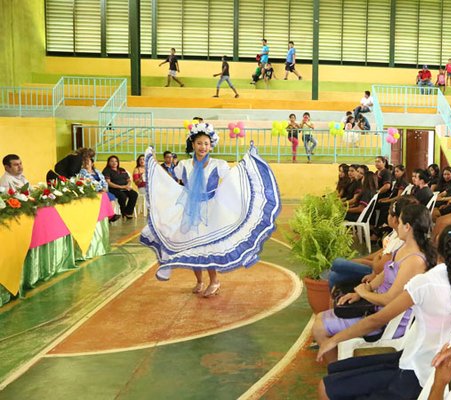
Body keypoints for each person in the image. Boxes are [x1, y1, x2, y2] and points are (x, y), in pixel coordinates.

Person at [316, 224, 451, 400]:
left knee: (326, 387)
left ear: (437, 244)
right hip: (418, 364)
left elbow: (377, 320)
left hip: (414, 372)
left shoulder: (424, 283)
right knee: (337, 372)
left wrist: (334, 340)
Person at [139, 122, 281, 297]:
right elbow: (170, 180)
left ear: (211, 146)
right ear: (193, 144)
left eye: (206, 143)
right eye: (199, 143)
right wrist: (152, 165)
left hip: (210, 210)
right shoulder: (183, 165)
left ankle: (214, 280)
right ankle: (199, 280)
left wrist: (247, 162)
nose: (203, 147)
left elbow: (232, 179)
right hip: (189, 210)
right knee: (191, 246)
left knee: (207, 248)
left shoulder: (218, 164)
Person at [314, 203, 433, 363]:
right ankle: (338, 364)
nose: (396, 225)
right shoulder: (403, 248)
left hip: (387, 320)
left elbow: (391, 299)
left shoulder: (414, 260)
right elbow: (384, 273)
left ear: (407, 227)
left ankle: (337, 369)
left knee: (320, 325)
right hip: (374, 307)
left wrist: (365, 293)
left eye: (400, 221)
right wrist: (362, 291)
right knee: (323, 318)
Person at [102, 155, 139, 220]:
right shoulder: (106, 170)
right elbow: (108, 183)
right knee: (123, 196)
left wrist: (127, 185)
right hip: (114, 189)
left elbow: (128, 180)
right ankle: (123, 211)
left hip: (125, 187)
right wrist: (121, 187)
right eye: (112, 161)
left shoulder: (122, 169)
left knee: (134, 194)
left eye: (116, 161)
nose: (114, 163)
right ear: (108, 162)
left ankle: (128, 212)